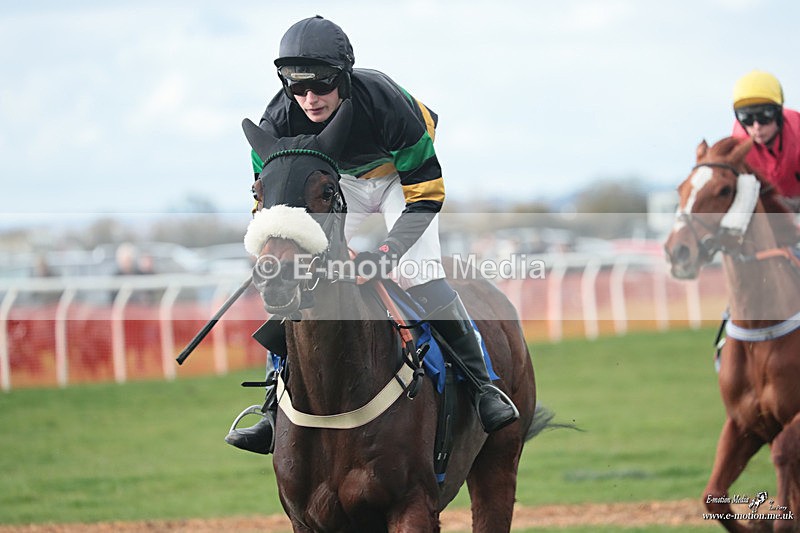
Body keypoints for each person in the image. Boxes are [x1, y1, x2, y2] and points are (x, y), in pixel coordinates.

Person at [225, 16, 519, 455]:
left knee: (419, 271)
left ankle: (483, 387)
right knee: (301, 281)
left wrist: (385, 254)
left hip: (400, 182)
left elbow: (427, 194)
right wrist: (276, 254)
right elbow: (269, 205)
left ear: (343, 75)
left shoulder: (385, 103)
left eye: (320, 85)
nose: (308, 98)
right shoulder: (277, 121)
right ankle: (271, 405)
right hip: (336, 185)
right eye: (295, 86)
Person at [731, 70, 800, 209]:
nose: (756, 126)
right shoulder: (738, 146)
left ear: (779, 113)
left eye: (765, 115)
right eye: (746, 118)